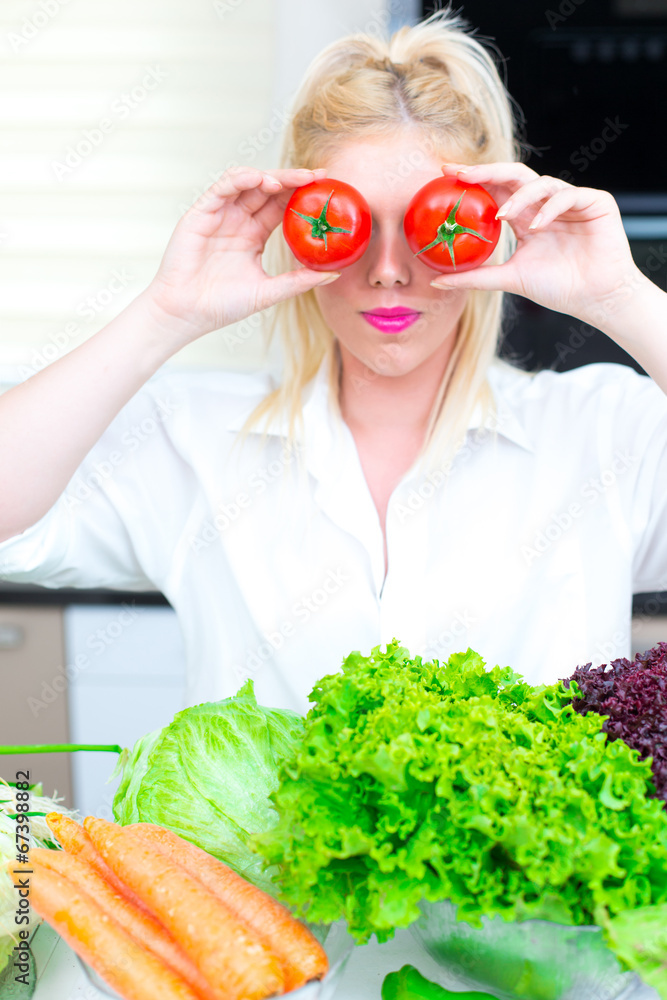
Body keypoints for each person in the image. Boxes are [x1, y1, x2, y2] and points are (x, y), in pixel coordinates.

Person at [1, 10, 666, 715]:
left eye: (433, 227)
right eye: (344, 227)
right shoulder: (189, 437)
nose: (387, 271)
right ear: (296, 228)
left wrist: (620, 297)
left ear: (486, 232)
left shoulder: (605, 432)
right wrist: (167, 312)